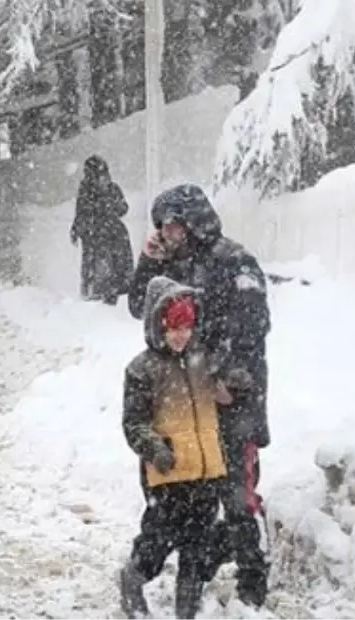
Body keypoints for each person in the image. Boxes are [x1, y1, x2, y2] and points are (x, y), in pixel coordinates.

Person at [127, 183, 271, 607]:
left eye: (171, 227)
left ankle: (251, 582)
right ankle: (198, 562)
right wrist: (147, 262)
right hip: (185, 403)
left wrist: (226, 377)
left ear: (193, 223)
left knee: (237, 495)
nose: (167, 236)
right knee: (189, 493)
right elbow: (140, 307)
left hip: (232, 402)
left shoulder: (233, 262)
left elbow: (252, 329)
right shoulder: (172, 266)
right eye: (163, 230)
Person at [119, 275, 233, 620]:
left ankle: (187, 610)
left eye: (186, 327)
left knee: (197, 547)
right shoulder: (143, 369)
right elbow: (134, 422)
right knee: (158, 539)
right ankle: (133, 577)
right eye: (173, 328)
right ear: (158, 327)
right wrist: (156, 450)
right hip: (167, 474)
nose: (181, 335)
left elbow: (224, 401)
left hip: (205, 471)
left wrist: (234, 388)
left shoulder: (204, 361)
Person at [70, 155, 133, 305]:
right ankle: (100, 295)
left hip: (107, 234)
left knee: (112, 266)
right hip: (100, 235)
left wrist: (77, 229)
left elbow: (123, 208)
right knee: (104, 267)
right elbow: (82, 213)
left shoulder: (105, 188)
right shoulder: (88, 191)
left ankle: (107, 292)